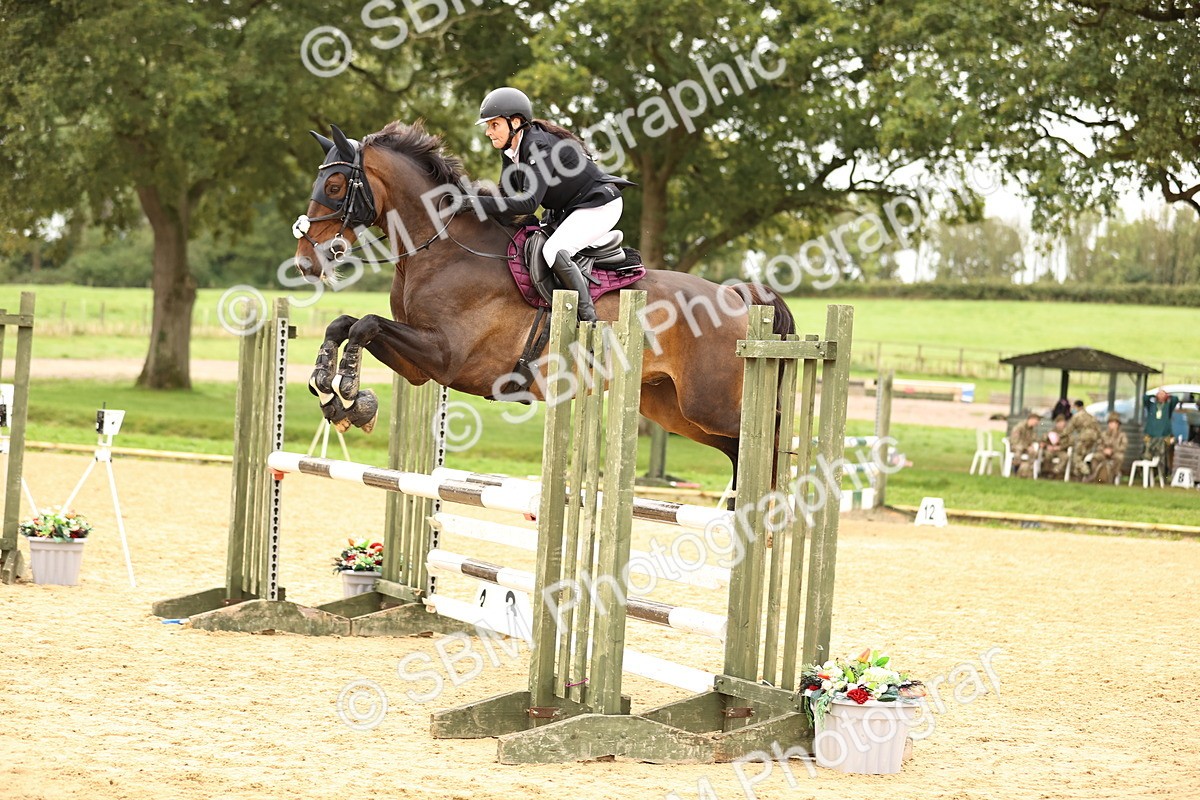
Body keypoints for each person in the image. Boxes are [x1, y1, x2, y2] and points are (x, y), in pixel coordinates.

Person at [466, 87, 635, 322]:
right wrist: (470, 198)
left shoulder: (537, 146)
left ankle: (589, 320)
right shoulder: (511, 150)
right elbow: (504, 195)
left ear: (515, 122)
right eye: (488, 126)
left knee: (553, 250)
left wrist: (474, 202)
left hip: (599, 205)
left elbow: (528, 203)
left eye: (494, 125)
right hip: (571, 209)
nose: (488, 132)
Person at [1142, 388, 1180, 475]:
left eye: (1163, 394)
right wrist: (1154, 395)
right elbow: (1144, 398)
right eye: (1159, 394)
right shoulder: (1151, 405)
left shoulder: (1168, 406)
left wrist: (1167, 395)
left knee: (1163, 455)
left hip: (1163, 436)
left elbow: (1176, 399)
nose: (1161, 395)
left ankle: (1163, 474)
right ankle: (1147, 474)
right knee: (1147, 453)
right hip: (1150, 435)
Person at [1064, 400, 1100, 480]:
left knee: (1077, 458)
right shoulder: (1091, 416)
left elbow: (1068, 430)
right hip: (1093, 439)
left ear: (1076, 406)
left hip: (1084, 438)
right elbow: (1098, 430)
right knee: (1083, 456)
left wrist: (1060, 436)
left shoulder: (1077, 416)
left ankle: (1087, 472)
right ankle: (1078, 477)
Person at [1090, 413, 1128, 484]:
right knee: (1095, 457)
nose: (1111, 425)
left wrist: (1113, 451)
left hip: (1115, 454)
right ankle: (1096, 475)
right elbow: (1099, 444)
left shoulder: (1122, 435)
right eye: (1110, 423)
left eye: (1113, 423)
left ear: (1117, 424)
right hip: (1104, 453)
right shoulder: (1104, 434)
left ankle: (1112, 476)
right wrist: (1104, 450)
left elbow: (1123, 447)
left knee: (1119, 458)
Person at [1009, 411, 1041, 478]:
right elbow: (1015, 440)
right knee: (1019, 450)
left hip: (1026, 447)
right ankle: (1016, 469)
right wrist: (1026, 446)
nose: (1037, 423)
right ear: (1031, 419)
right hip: (1017, 446)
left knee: (1034, 452)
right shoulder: (1019, 427)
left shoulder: (1031, 429)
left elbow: (1034, 439)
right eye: (1036, 421)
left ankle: (1027, 471)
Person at [1039, 415, 1070, 479]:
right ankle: (1046, 471)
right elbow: (1043, 440)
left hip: (1061, 450)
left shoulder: (1067, 433)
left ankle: (1055, 471)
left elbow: (1070, 443)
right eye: (1059, 422)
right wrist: (1047, 446)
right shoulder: (1051, 431)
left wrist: (1060, 447)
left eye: (1062, 422)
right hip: (1051, 450)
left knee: (1065, 457)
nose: (1061, 424)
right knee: (1047, 455)